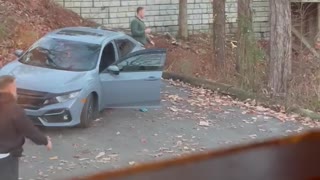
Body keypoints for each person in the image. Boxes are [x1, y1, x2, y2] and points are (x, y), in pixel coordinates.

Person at [0, 75, 52, 180]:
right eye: (15, 87)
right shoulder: (14, 110)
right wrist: (45, 141)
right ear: (10, 88)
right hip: (6, 157)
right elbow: (30, 131)